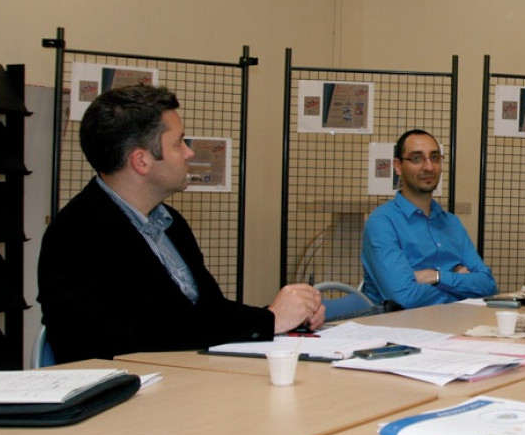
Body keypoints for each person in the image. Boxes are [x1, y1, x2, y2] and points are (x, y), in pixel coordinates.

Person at [38, 85, 323, 363]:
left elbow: (207, 314)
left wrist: (286, 316)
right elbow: (135, 336)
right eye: (178, 143)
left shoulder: (170, 223)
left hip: (187, 381)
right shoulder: (75, 235)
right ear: (141, 161)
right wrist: (269, 319)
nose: (189, 152)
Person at [361, 129, 496, 308]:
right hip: (396, 327)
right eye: (417, 158)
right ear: (398, 166)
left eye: (435, 158)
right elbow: (404, 296)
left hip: (452, 324)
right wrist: (459, 283)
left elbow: (488, 286)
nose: (429, 167)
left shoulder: (451, 223)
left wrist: (436, 276)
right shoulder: (382, 223)